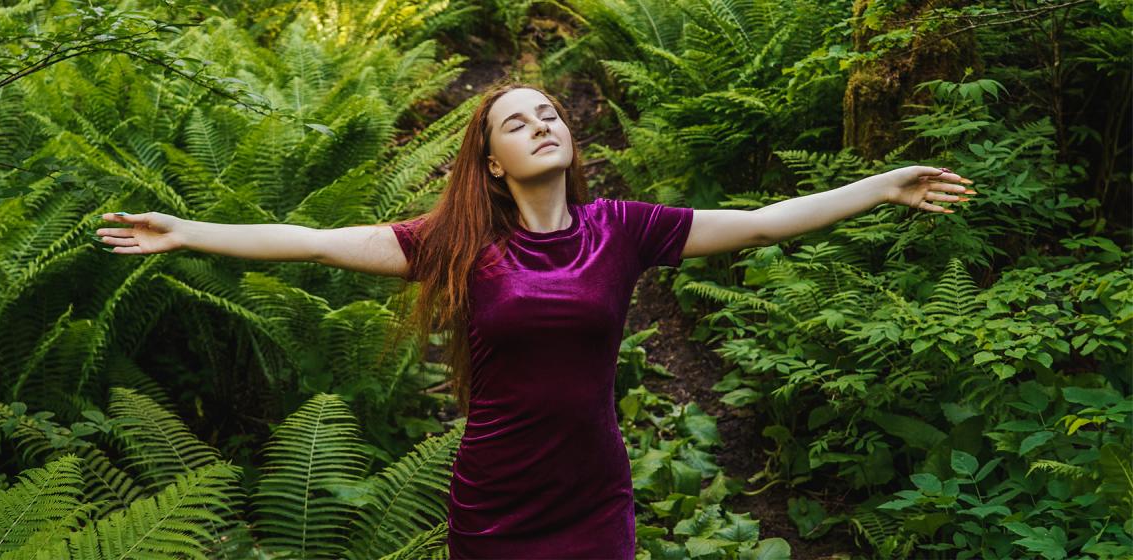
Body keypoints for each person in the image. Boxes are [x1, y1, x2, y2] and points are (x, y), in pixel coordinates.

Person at [92, 81, 975, 558]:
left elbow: (766, 220)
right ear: (490, 156)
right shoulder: (457, 240)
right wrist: (185, 232)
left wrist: (882, 185)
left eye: (550, 113)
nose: (542, 124)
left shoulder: (623, 230)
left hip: (594, 496)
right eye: (518, 121)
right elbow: (316, 242)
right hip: (496, 502)